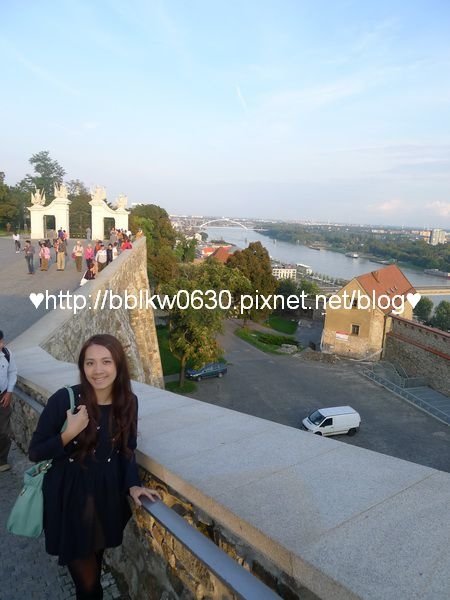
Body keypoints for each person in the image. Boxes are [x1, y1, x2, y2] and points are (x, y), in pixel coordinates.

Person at [28, 334, 160, 599]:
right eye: (90, 363)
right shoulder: (64, 400)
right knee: (88, 585)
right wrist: (68, 433)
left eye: (106, 362)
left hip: (105, 499)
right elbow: (35, 452)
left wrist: (133, 484)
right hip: (70, 500)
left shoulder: (128, 403)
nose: (97, 370)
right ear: (82, 366)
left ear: (118, 366)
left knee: (95, 567)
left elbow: (127, 449)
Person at [0, 330, 18, 472]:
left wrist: (9, 392)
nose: (2, 344)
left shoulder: (6, 354)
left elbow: (12, 372)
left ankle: (2, 460)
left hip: (2, 397)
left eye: (1, 341)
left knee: (4, 431)